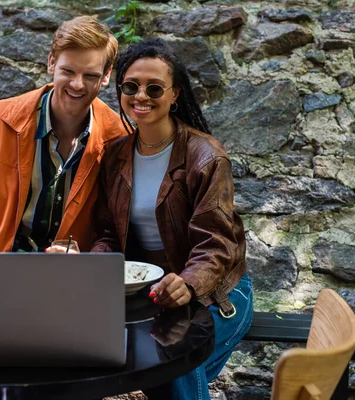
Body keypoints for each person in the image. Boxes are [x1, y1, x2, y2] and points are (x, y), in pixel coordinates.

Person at [91, 38, 253, 400]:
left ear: (175, 93)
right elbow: (107, 232)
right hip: (154, 296)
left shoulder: (206, 156)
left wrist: (190, 283)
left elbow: (217, 243)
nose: (141, 96)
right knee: (163, 368)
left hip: (217, 294)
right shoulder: (116, 155)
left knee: (173, 362)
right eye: (130, 86)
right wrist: (97, 268)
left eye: (154, 87)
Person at [0, 16, 126, 253]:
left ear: (106, 75)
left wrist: (87, 261)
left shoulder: (118, 138)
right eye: (68, 71)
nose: (78, 84)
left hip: (72, 279)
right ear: (51, 63)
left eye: (90, 76)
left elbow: (115, 228)